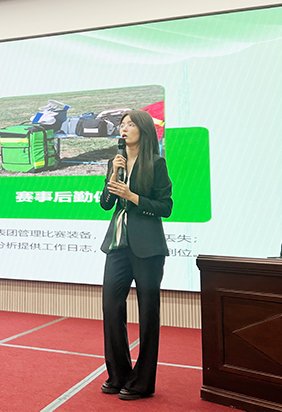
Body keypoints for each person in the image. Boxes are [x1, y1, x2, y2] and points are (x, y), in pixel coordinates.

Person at [99, 109, 173, 401]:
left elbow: (165, 206)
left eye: (130, 124)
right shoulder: (114, 162)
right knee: (111, 307)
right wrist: (112, 176)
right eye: (122, 124)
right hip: (117, 245)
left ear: (143, 130)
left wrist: (133, 197)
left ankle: (142, 382)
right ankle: (118, 375)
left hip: (148, 248)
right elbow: (106, 204)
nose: (124, 128)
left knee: (148, 313)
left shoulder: (156, 163)